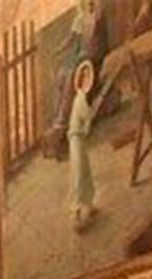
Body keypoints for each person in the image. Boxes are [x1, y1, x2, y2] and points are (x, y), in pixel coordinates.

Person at [67, 60, 97, 231]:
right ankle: (76, 212)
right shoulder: (79, 99)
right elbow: (86, 117)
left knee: (85, 171)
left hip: (80, 139)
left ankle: (89, 204)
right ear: (79, 82)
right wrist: (90, 115)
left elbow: (86, 119)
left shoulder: (81, 98)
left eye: (88, 79)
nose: (86, 82)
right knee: (78, 173)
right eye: (83, 79)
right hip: (76, 139)